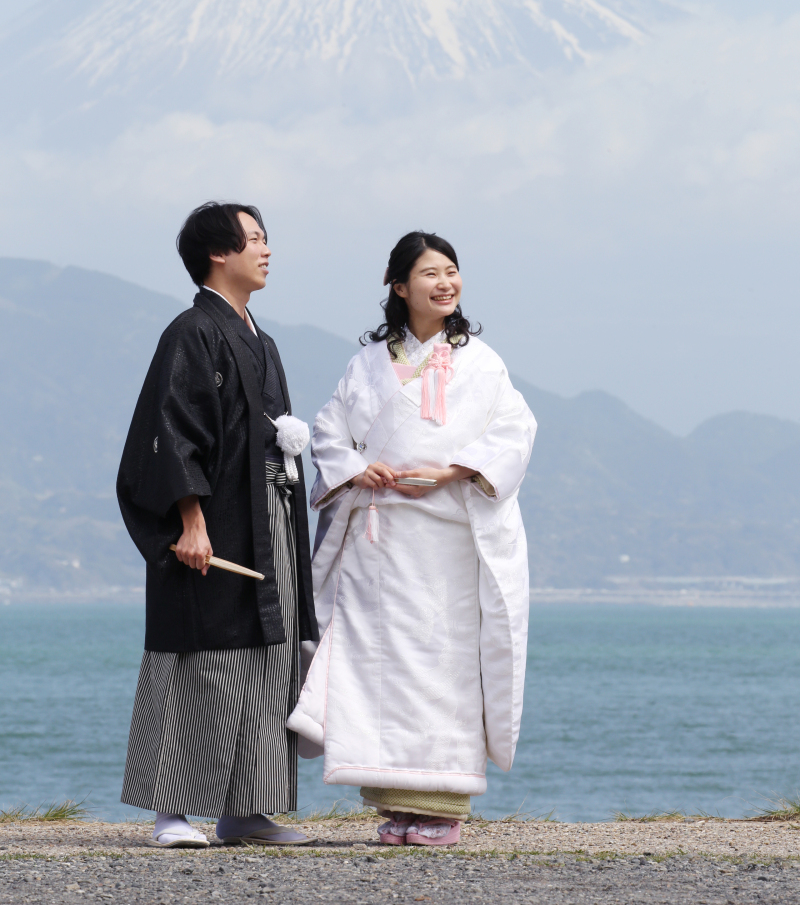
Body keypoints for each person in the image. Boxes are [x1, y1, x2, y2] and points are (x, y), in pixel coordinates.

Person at [288, 231, 536, 847]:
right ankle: (396, 804)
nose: (445, 283)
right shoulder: (367, 363)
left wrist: (455, 470)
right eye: (430, 273)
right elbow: (328, 429)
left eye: (451, 271)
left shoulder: (482, 361)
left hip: (448, 534)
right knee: (382, 666)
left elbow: (514, 429)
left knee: (443, 663)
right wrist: (354, 468)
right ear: (398, 286)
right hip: (381, 537)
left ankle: (443, 808)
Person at [117, 202, 318, 848]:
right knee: (199, 658)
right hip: (214, 518)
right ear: (217, 254)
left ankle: (246, 811)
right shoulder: (192, 332)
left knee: (269, 658)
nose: (266, 249)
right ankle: (171, 810)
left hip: (267, 517)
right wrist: (190, 522)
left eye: (265, 237)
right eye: (253, 238)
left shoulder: (262, 339)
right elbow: (171, 432)